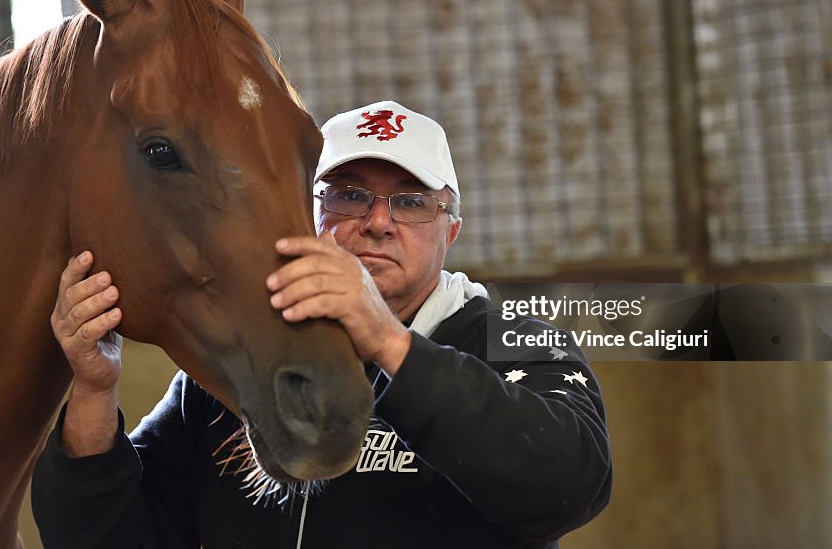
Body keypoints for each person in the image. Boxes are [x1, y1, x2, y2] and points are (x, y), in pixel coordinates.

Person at [32, 100, 612, 548]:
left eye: (411, 202)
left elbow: (569, 486)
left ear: (450, 230)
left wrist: (389, 342)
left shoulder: (515, 340)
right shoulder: (244, 360)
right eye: (349, 196)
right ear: (309, 216)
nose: (379, 223)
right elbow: (109, 538)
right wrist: (93, 391)